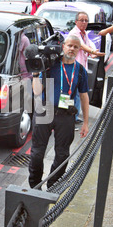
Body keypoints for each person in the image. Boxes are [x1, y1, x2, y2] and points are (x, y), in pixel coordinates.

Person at [28, 35, 90, 189]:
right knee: (37, 152)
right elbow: (37, 91)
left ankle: (53, 184)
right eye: (69, 45)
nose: (72, 49)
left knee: (62, 154)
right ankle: (34, 186)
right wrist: (36, 73)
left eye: (75, 47)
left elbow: (84, 97)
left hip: (66, 114)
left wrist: (86, 123)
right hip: (44, 110)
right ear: (63, 46)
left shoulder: (80, 70)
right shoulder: (50, 66)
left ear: (79, 50)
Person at [68, 11, 105, 122]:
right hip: (72, 68)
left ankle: (74, 116)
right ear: (76, 22)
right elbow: (82, 46)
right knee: (69, 92)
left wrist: (93, 52)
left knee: (78, 93)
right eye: (81, 20)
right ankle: (67, 115)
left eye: (86, 20)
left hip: (80, 68)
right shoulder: (74, 33)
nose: (84, 22)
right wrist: (92, 51)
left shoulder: (84, 34)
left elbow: (88, 46)